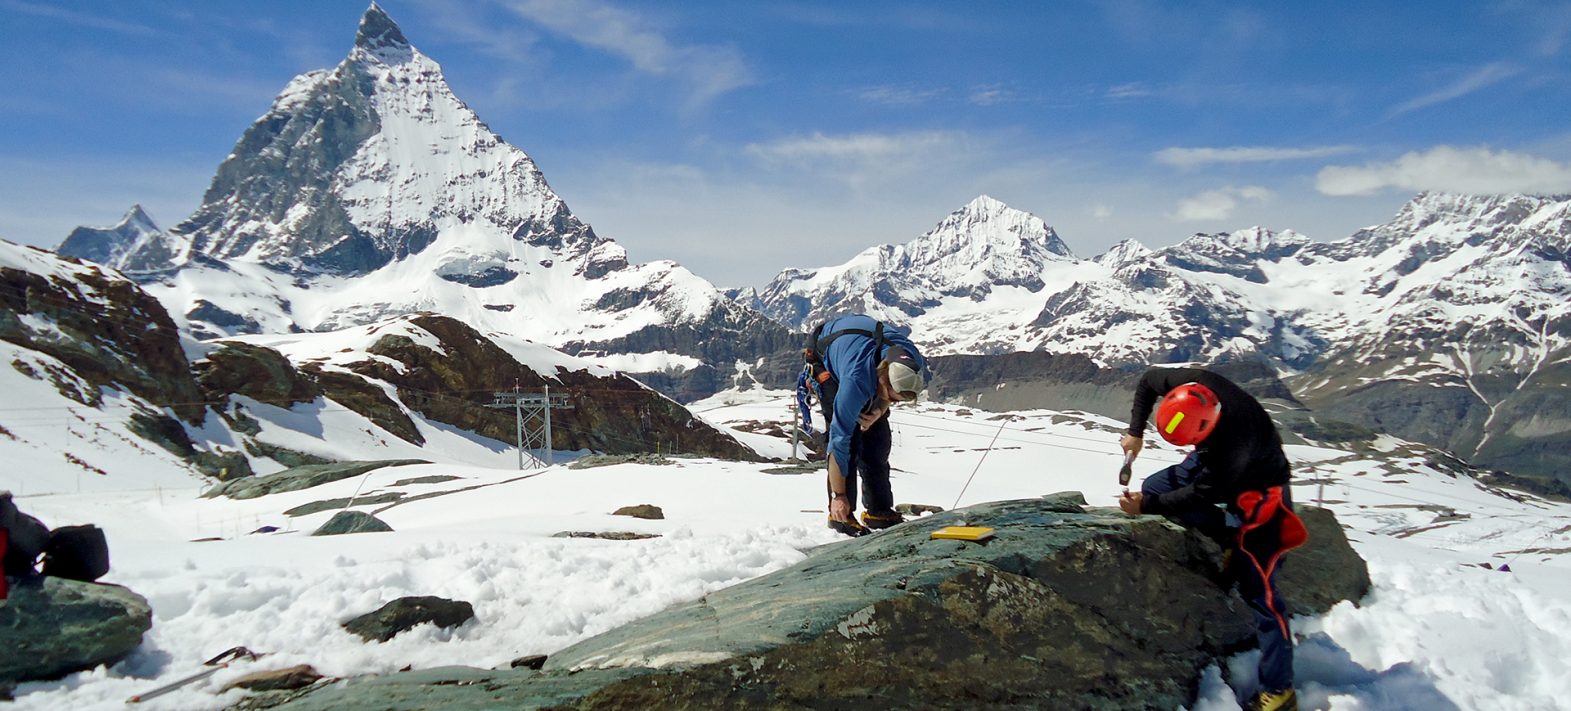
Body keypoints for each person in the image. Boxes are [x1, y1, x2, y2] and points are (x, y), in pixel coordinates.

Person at [1117, 367, 1307, 711]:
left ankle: (1280, 691)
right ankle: (1229, 538)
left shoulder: (1232, 451)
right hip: (1212, 460)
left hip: (1261, 488)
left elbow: (1199, 495)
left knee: (1260, 592)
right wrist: (1135, 433)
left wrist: (1146, 507)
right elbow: (1147, 381)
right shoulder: (1200, 386)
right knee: (1156, 487)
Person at [802, 315, 926, 537]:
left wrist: (879, 410)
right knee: (848, 443)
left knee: (877, 440)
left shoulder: (913, 363)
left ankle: (878, 511)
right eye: (893, 397)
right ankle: (840, 515)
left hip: (859, 345)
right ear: (881, 379)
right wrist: (838, 497)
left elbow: (888, 395)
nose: (894, 402)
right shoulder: (857, 381)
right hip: (826, 355)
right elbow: (839, 441)